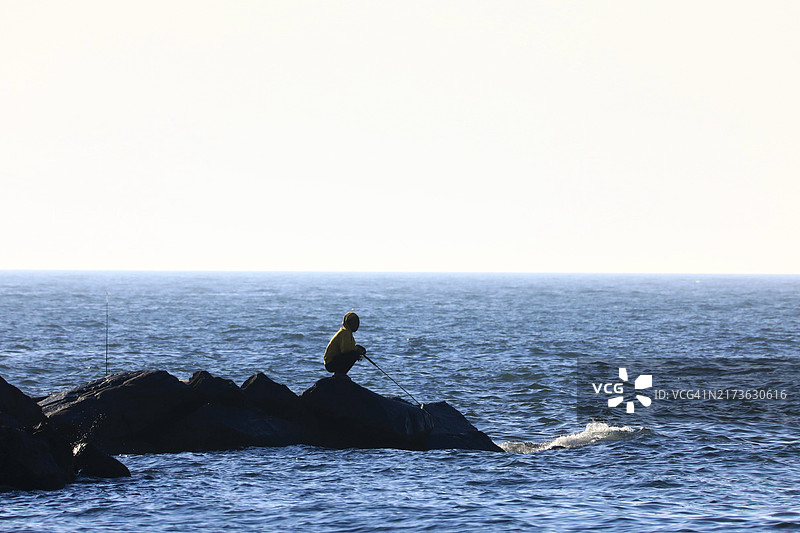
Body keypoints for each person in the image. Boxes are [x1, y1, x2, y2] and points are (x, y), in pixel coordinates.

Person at [324, 311, 367, 378]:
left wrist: (358, 349)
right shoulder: (345, 332)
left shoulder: (348, 332)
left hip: (334, 361)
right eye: (353, 322)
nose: (355, 325)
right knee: (353, 354)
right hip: (330, 363)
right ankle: (340, 374)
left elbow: (350, 347)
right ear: (348, 323)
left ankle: (341, 373)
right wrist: (357, 349)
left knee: (355, 353)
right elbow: (345, 349)